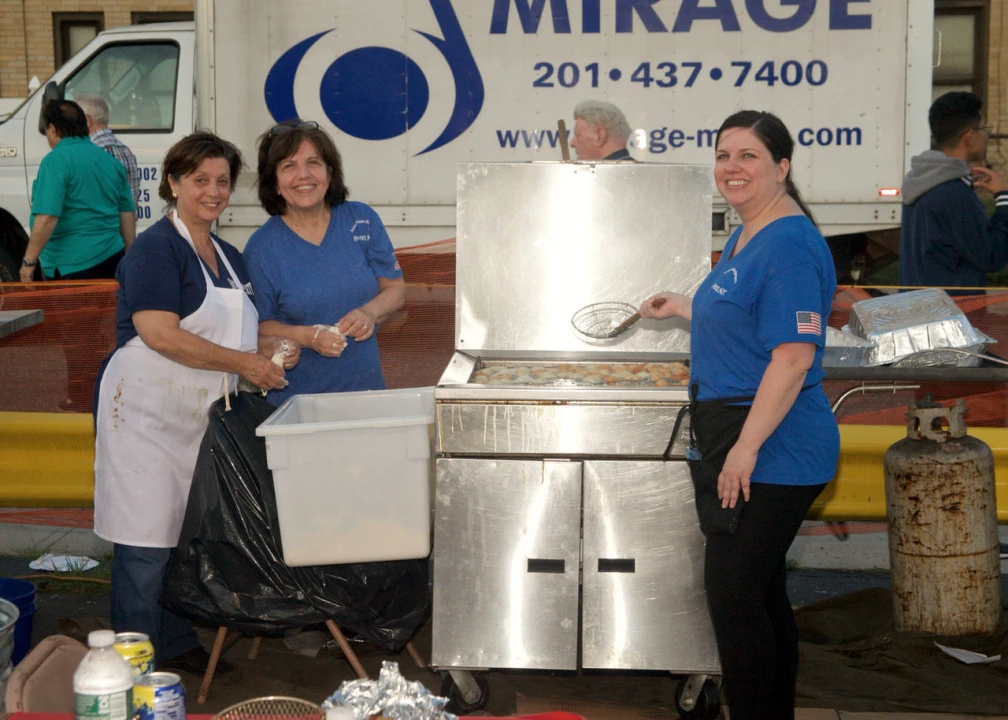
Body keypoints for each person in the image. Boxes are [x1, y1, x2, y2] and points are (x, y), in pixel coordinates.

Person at [639, 110, 839, 720]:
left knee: (733, 597)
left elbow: (793, 358)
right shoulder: (749, 230)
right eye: (724, 155)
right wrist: (687, 306)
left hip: (774, 446)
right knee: (761, 593)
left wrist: (745, 451)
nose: (732, 167)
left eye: (749, 155)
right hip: (739, 432)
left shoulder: (788, 245)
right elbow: (748, 314)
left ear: (782, 166)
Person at [93, 131, 289, 674]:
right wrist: (246, 364)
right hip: (143, 417)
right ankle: (130, 667)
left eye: (223, 181)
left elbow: (240, 338)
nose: (214, 191)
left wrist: (276, 352)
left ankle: (176, 644)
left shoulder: (230, 258)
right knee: (144, 542)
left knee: (185, 537)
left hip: (197, 421)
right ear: (174, 183)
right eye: (200, 179)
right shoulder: (155, 250)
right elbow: (160, 334)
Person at [243, 120, 406, 404]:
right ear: (275, 184)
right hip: (297, 406)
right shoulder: (261, 248)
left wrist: (369, 312)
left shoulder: (362, 220)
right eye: (288, 166)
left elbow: (395, 289)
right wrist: (308, 336)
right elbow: (260, 327)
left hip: (368, 396)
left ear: (330, 173)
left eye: (313, 163)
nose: (303, 175)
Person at [899, 91, 1008, 295]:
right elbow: (992, 256)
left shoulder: (921, 180)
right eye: (983, 129)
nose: (985, 136)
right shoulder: (954, 194)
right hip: (953, 311)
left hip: (922, 307)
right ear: (969, 137)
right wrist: (1004, 198)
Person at [19, 100, 135, 282]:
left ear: (52, 129)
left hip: (71, 265)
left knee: (71, 304)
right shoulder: (110, 161)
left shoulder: (55, 161)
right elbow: (126, 213)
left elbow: (47, 217)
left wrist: (29, 262)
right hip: (113, 257)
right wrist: (130, 256)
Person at [76, 94, 141, 209]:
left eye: (75, 120)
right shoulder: (126, 152)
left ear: (87, 120)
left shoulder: (90, 153)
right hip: (126, 220)